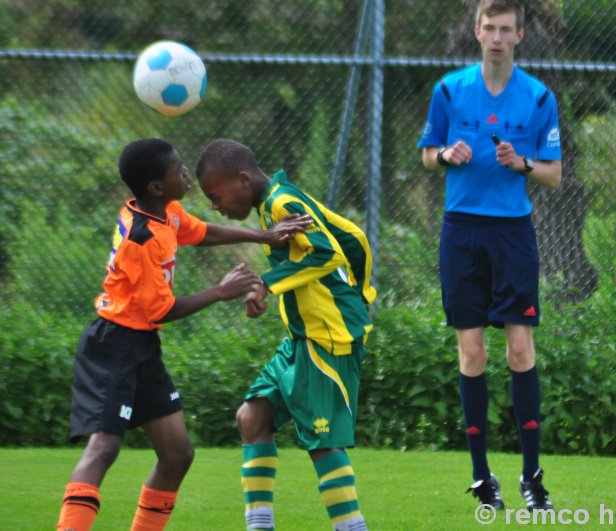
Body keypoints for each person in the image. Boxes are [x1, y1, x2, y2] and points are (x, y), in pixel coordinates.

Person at [57, 138, 310, 531]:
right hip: (113, 346)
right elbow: (160, 309)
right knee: (105, 447)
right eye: (178, 171)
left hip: (141, 345)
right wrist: (221, 291)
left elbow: (201, 232)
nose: (185, 173)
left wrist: (263, 235)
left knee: (177, 455)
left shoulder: (167, 212)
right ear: (156, 187)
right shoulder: (141, 238)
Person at [417, 0, 562, 513]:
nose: (497, 38)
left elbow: (553, 173)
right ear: (476, 32)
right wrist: (446, 156)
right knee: (472, 354)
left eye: (507, 30)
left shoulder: (539, 96)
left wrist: (522, 163)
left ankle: (532, 477)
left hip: (512, 234)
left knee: (520, 352)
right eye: (489, 28)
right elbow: (428, 152)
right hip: (461, 233)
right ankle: (482, 478)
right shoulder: (449, 90)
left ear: (520, 36)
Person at [195, 138, 376, 531]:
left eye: (215, 195)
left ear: (242, 179)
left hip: (327, 336)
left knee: (323, 442)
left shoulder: (279, 202)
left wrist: (265, 284)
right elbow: (352, 235)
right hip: (301, 337)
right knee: (252, 416)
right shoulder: (271, 205)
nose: (215, 206)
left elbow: (329, 253)